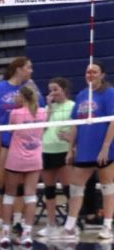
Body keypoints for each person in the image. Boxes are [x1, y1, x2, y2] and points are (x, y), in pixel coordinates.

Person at [61, 61, 114, 241]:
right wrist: (71, 149)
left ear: (102, 74)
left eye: (94, 72)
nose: (90, 75)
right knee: (76, 188)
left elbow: (113, 121)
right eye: (88, 72)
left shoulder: (109, 93)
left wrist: (106, 147)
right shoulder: (82, 95)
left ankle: (107, 226)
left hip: (104, 151)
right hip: (84, 150)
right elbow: (76, 124)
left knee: (108, 187)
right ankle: (70, 226)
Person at [0, 57, 42, 230]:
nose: (31, 70)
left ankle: (16, 220)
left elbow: (39, 110)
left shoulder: (30, 88)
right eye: (28, 67)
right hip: (2, 141)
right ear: (18, 69)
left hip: (22, 145)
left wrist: (35, 89)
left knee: (18, 186)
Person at [0, 85, 47, 248]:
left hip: (17, 158)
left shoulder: (15, 113)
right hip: (35, 158)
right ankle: (27, 234)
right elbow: (44, 128)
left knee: (9, 195)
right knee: (30, 195)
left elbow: (11, 131)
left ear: (22, 97)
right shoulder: (43, 112)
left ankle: (5, 233)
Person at [38, 77, 74, 238]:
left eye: (55, 90)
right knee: (49, 189)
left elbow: (77, 129)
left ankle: (73, 224)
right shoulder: (46, 109)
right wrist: (49, 111)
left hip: (64, 151)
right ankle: (51, 224)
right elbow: (41, 130)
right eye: (50, 90)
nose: (52, 93)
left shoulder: (72, 106)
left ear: (64, 90)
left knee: (69, 189)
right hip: (46, 150)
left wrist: (71, 139)